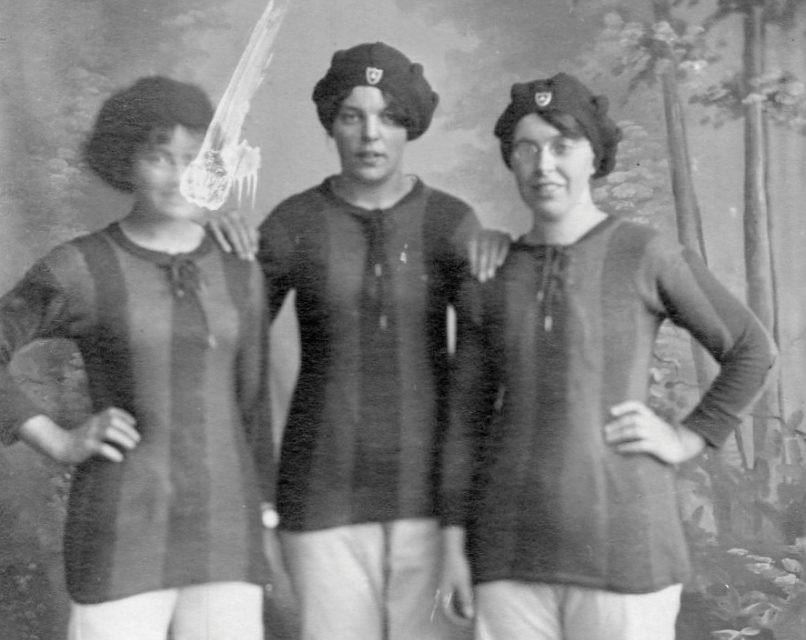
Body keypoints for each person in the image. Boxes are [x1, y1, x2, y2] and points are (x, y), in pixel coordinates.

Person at [439, 73, 777, 640]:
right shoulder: (489, 274)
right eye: (528, 148)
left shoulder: (644, 253)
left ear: (595, 156)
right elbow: (463, 423)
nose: (545, 165)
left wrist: (686, 438)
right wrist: (453, 546)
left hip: (628, 552)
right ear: (511, 160)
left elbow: (751, 349)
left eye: (562, 146)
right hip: (508, 556)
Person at [211, 41, 496, 640]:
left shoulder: (450, 222)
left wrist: (469, 510)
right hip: (319, 497)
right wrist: (203, 246)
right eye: (352, 116)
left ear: (410, 128)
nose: (371, 135)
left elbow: (488, 371)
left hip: (431, 503)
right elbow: (220, 347)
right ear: (330, 125)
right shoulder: (293, 223)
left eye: (390, 118)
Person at [0, 76, 274, 640]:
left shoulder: (240, 270)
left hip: (227, 540)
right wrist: (59, 439)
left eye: (193, 158)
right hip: (121, 534)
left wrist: (265, 521)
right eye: (157, 155)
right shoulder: (82, 267)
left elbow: (252, 415)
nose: (178, 175)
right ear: (126, 162)